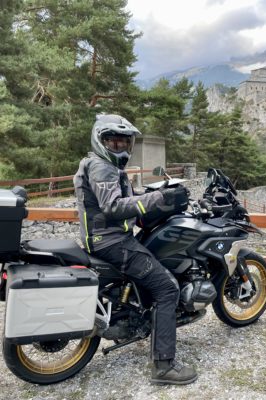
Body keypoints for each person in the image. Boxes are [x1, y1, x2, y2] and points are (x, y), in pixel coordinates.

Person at [73, 114, 197, 385]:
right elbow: (113, 207)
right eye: (112, 141)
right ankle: (164, 366)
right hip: (112, 242)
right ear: (100, 140)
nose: (119, 146)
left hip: (105, 237)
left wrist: (150, 198)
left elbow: (124, 201)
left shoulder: (100, 165)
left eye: (124, 142)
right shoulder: (102, 167)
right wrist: (160, 197)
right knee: (167, 289)